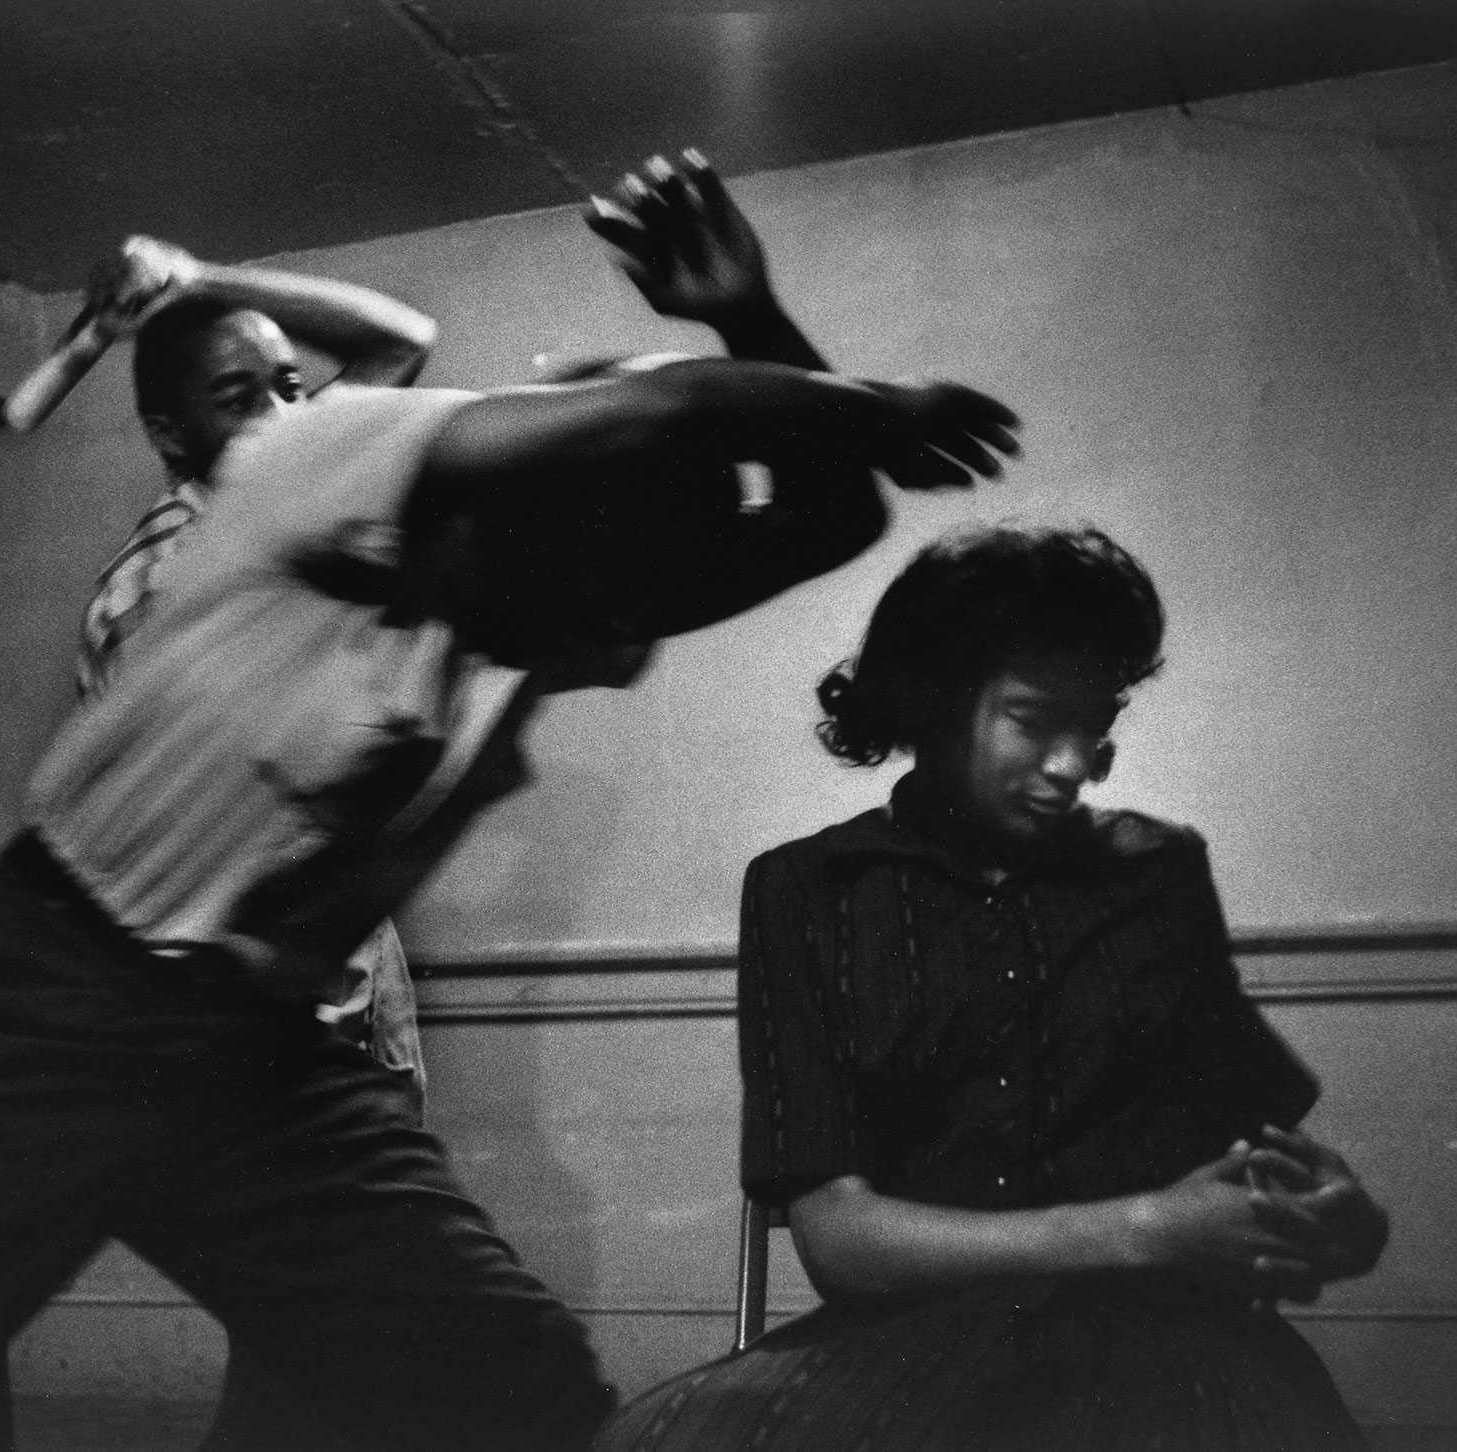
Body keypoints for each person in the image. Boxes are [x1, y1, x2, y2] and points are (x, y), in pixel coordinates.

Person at [0, 154, 1020, 1452]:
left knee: (513, 1389)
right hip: (42, 995)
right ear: (520, 482)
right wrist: (878, 405)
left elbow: (826, 524)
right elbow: (667, 415)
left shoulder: (531, 608)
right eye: (589, 593)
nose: (592, 635)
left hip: (263, 1062)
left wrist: (744, 312)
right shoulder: (309, 464)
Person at [595, 525, 1390, 1452]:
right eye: (1034, 719)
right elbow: (840, 1243)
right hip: (901, 1346)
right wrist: (1143, 1227)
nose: (1071, 766)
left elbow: (1255, 1160)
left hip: (1167, 1347)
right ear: (932, 696)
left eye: (1094, 728)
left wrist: (1337, 1223)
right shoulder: (808, 891)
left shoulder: (1159, 874)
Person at [73, 239, 438, 1089]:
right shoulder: (157, 591)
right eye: (239, 400)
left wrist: (199, 281)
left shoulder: (285, 506)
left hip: (341, 967)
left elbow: (401, 342)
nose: (279, 419)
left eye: (292, 387)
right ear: (170, 436)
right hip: (247, 1013)